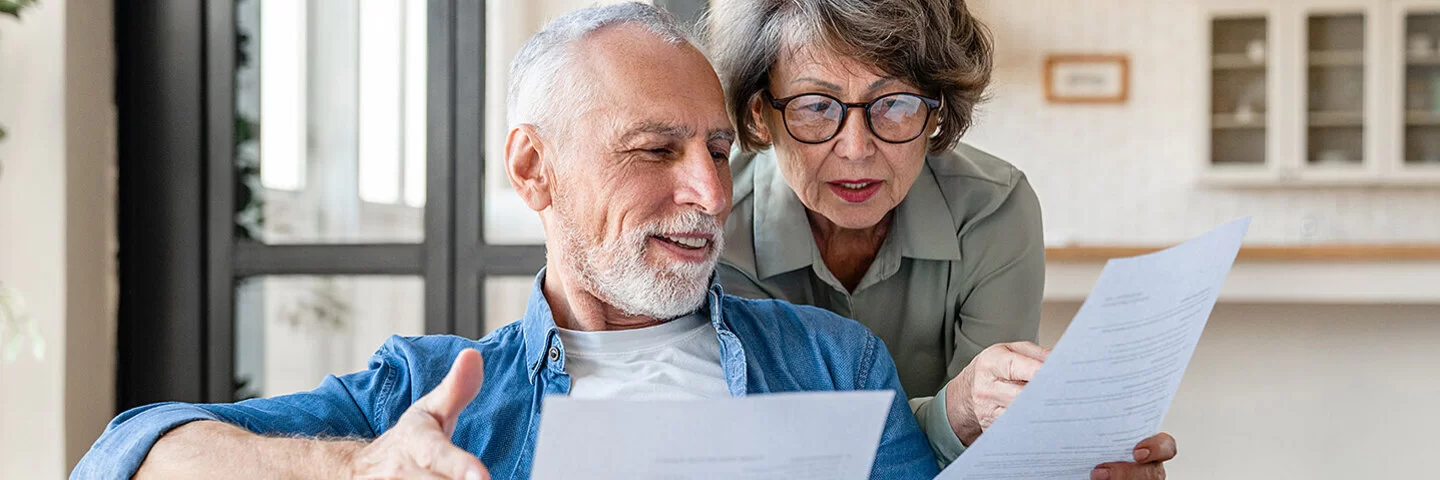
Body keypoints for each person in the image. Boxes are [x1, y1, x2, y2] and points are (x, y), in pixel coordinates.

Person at [73, 4, 937, 479]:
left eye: (717, 150)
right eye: (656, 150)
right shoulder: (422, 395)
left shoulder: (838, 365)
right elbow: (128, 455)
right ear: (534, 170)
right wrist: (354, 470)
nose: (711, 194)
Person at [707, 0, 1175, 477]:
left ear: (936, 114)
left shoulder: (994, 209)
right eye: (814, 107)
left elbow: (993, 444)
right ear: (760, 112)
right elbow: (780, 454)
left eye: (894, 104)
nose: (855, 149)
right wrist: (951, 415)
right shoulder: (716, 225)